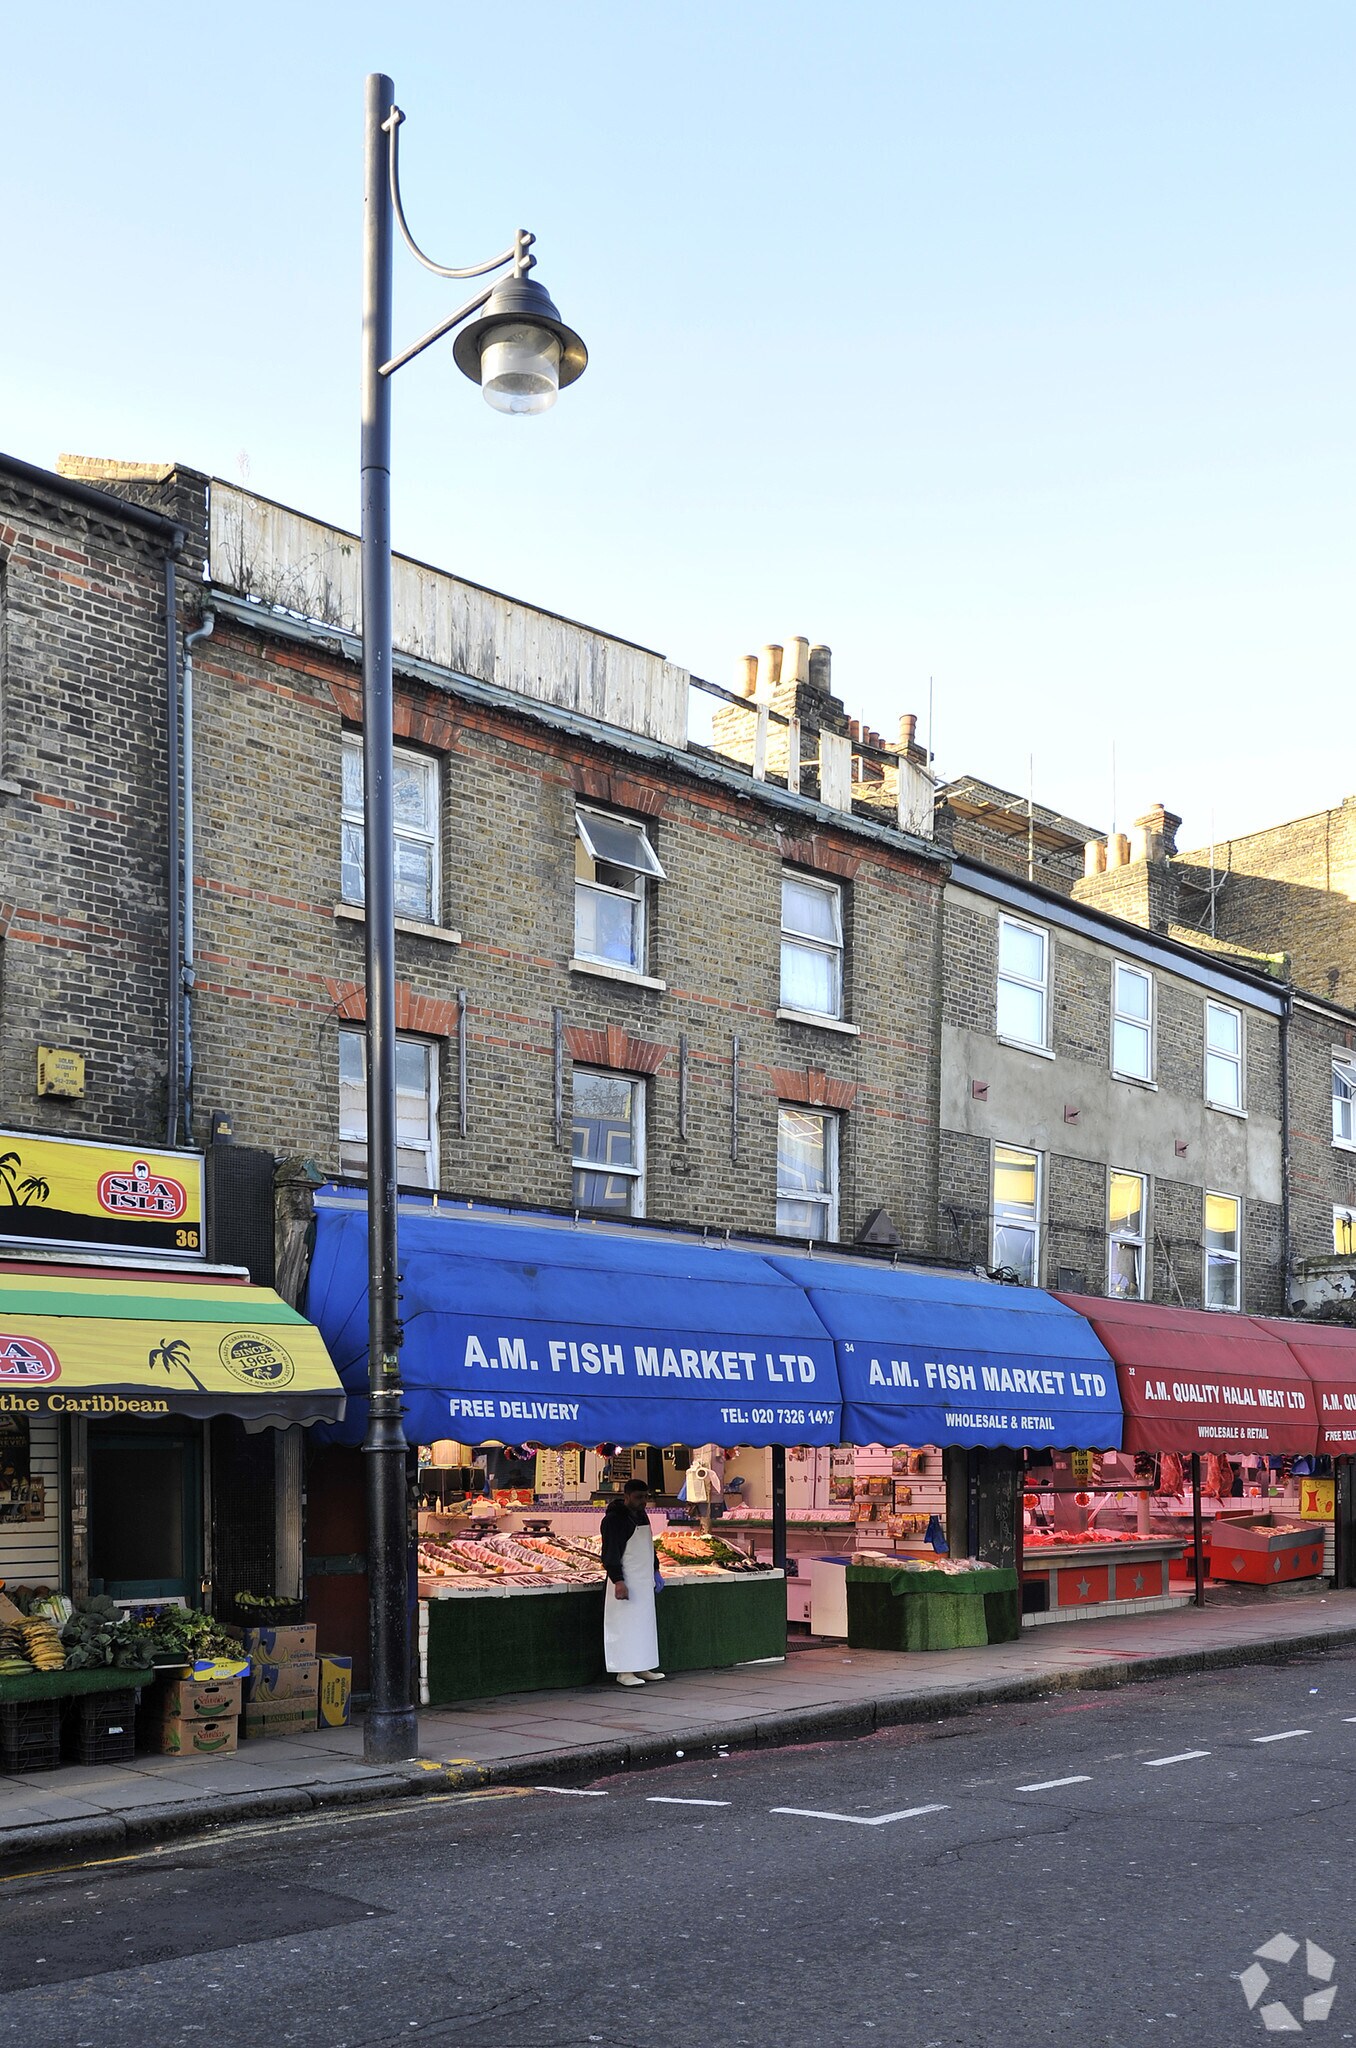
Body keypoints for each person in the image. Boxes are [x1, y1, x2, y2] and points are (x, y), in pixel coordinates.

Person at [601, 1477, 665, 1687]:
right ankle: (624, 1670)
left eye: (646, 1497)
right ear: (626, 1496)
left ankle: (642, 1664)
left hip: (643, 1580)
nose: (643, 1502)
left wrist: (655, 1569)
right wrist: (618, 1580)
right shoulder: (614, 1520)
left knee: (643, 1625)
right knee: (624, 1626)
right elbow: (611, 1553)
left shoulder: (641, 1516)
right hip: (625, 1579)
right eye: (639, 1497)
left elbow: (649, 1546)